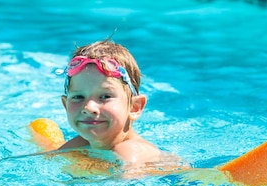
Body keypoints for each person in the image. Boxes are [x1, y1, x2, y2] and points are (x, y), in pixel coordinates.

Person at [45, 39, 183, 175]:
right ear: (65, 105)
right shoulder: (81, 143)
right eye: (78, 97)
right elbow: (47, 161)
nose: (89, 107)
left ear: (134, 107)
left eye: (105, 97)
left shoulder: (128, 151)